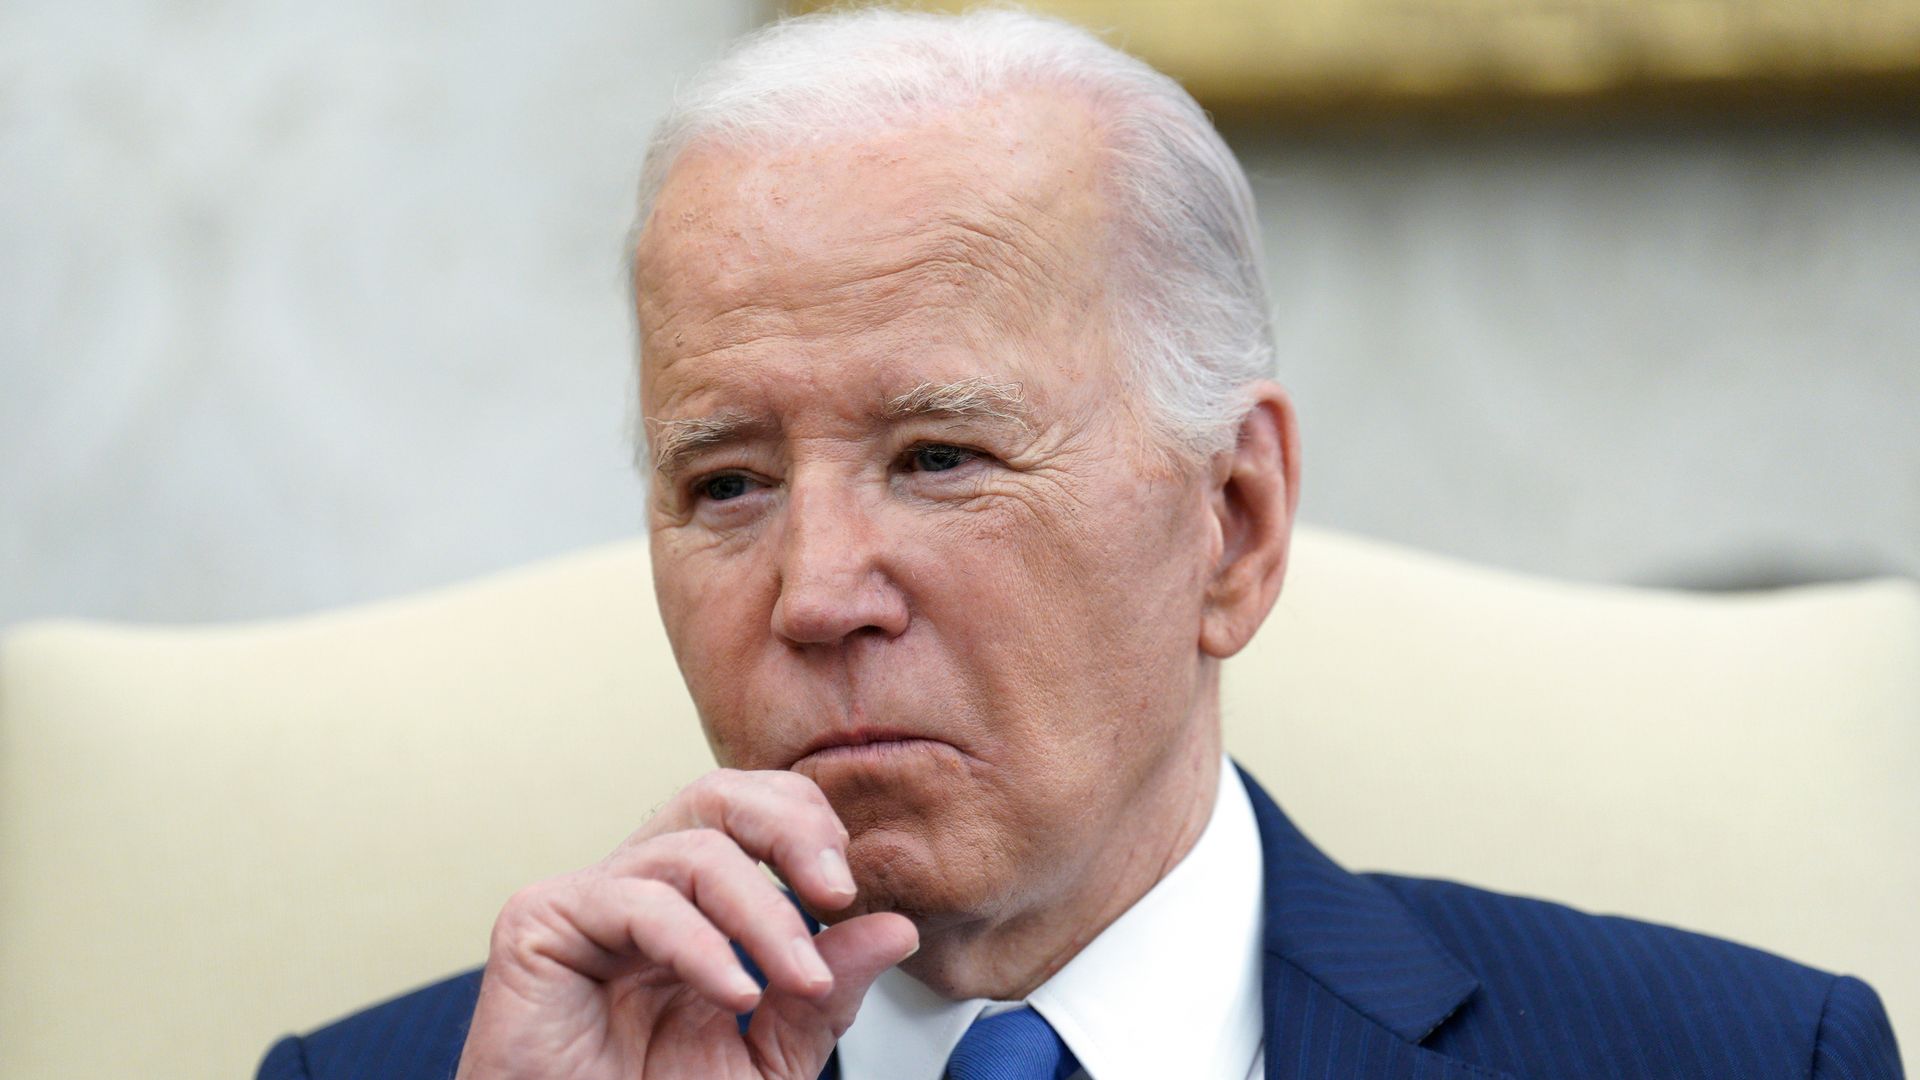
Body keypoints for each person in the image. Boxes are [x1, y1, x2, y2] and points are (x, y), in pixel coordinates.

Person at [256, 8, 1904, 1079]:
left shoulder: (1748, 1056)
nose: (817, 593)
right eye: (728, 485)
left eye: (941, 457)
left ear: (1233, 524)